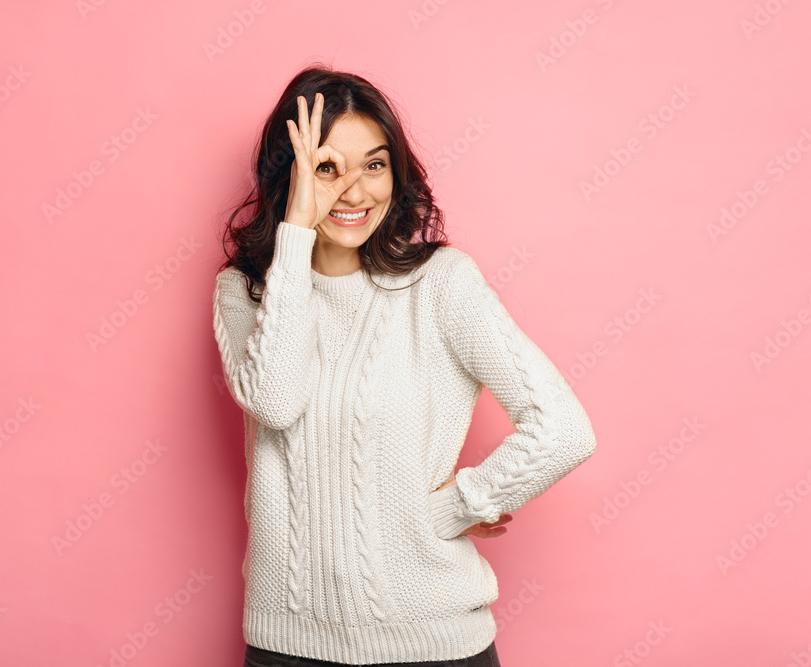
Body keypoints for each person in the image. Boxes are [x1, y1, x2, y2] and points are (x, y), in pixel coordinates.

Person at [213, 64, 597, 667]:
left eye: (374, 163)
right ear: (289, 178)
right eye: (325, 168)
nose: (356, 191)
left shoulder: (440, 286)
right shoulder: (247, 293)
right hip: (288, 646)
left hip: (435, 645)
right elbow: (277, 401)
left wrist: (453, 508)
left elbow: (564, 428)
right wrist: (294, 235)